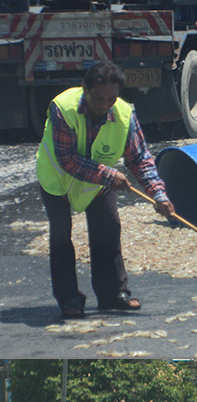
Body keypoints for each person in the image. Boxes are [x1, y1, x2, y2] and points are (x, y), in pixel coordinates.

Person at [36, 61, 175, 319]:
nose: (104, 104)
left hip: (97, 183)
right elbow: (66, 159)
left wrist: (158, 195)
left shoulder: (124, 114)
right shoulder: (62, 108)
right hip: (58, 180)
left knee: (108, 228)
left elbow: (140, 159)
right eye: (98, 98)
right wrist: (109, 175)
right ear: (84, 89)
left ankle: (112, 294)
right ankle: (69, 299)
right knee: (61, 237)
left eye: (111, 98)